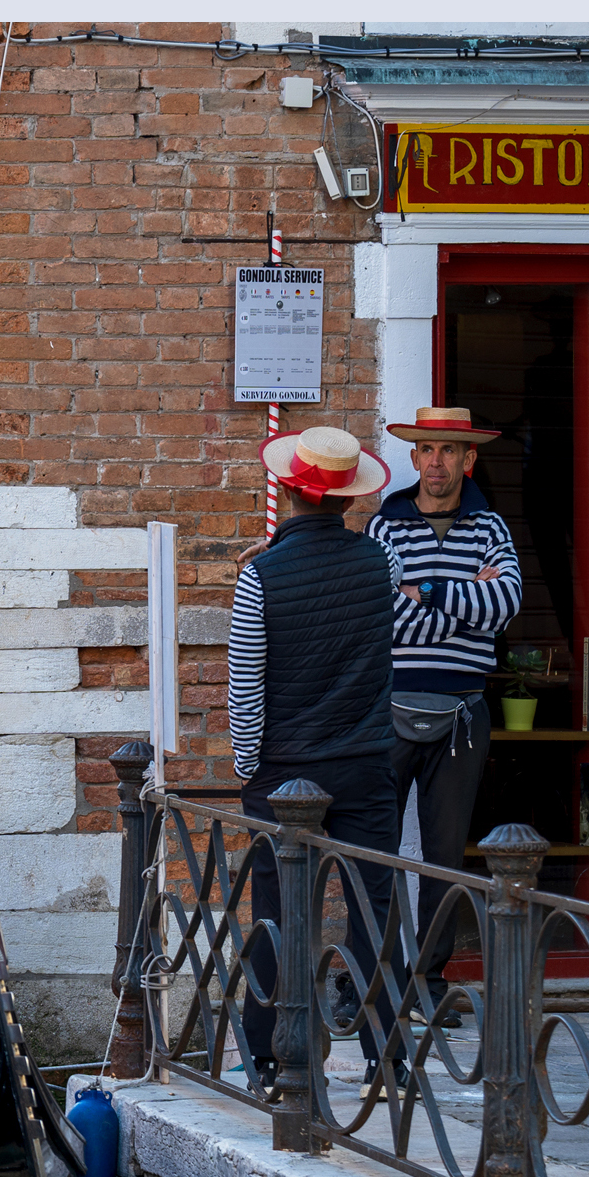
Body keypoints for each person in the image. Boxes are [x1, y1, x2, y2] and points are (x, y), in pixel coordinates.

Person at [229, 426, 406, 1100]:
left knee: (278, 910)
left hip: (283, 773)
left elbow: (244, 685)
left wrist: (249, 765)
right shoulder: (378, 564)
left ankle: (269, 1058)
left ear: (286, 489)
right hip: (364, 761)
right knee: (373, 908)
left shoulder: (259, 577)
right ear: (345, 496)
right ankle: (384, 1058)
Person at [368, 408, 523, 1029]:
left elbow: (505, 603)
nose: (436, 461)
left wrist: (425, 592)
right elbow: (383, 612)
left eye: (448, 451)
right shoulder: (386, 523)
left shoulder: (491, 526)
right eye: (426, 449)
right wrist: (463, 597)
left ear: (468, 460)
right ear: (414, 458)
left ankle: (428, 978)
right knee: (370, 847)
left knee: (443, 854)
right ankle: (371, 976)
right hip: (388, 708)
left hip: (463, 712)